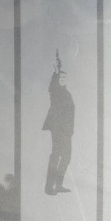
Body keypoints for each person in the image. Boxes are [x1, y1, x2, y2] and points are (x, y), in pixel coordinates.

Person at [43, 52, 75, 196]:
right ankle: (49, 187)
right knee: (56, 155)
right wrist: (57, 70)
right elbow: (53, 84)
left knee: (66, 156)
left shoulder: (67, 93)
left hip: (67, 130)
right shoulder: (55, 90)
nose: (62, 80)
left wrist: (70, 130)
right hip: (57, 128)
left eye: (64, 78)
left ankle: (58, 185)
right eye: (60, 78)